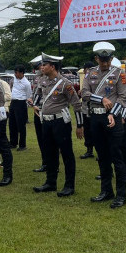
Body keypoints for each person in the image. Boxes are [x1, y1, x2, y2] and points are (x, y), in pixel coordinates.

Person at [81, 42, 126, 209]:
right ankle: (106, 191)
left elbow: (123, 98)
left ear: (111, 59)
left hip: (113, 119)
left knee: (117, 157)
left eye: (108, 59)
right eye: (102, 60)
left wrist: (113, 113)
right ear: (96, 59)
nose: (105, 63)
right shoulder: (90, 74)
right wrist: (101, 99)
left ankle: (121, 195)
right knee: (102, 157)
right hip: (96, 118)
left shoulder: (119, 74)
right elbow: (84, 93)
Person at [32, 53, 83, 197]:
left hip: (60, 122)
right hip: (46, 122)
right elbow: (39, 95)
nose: (42, 67)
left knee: (66, 153)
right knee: (49, 153)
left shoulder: (65, 83)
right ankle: (50, 182)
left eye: (44, 65)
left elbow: (76, 104)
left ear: (52, 67)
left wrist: (79, 125)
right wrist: (36, 105)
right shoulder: (44, 81)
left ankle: (69, 185)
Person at [28, 60, 49, 172]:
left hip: (47, 111)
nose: (41, 68)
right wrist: (31, 101)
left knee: (48, 139)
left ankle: (51, 164)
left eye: (43, 66)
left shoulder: (51, 78)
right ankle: (45, 162)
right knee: (40, 137)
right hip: (37, 111)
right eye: (39, 67)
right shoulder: (36, 78)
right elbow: (35, 93)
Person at [9, 65, 32, 151]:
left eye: (17, 72)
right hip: (13, 102)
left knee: (21, 125)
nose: (15, 74)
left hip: (21, 103)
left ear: (22, 73)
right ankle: (13, 143)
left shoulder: (26, 83)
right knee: (12, 124)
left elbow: (29, 95)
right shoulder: (14, 79)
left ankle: (22, 145)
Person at [79, 61, 96, 159]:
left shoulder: (97, 79)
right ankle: (89, 150)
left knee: (97, 131)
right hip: (86, 108)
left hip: (94, 109)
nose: (88, 72)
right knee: (87, 130)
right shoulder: (85, 79)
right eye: (86, 70)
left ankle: (100, 151)